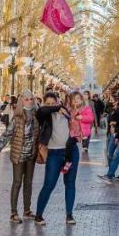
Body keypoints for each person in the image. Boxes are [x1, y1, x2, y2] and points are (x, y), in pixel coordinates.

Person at [34, 90, 82, 224]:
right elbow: (41, 111)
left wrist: (66, 112)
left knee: (70, 183)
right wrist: (56, 107)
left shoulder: (67, 112)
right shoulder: (45, 115)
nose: (50, 106)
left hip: (70, 152)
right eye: (47, 103)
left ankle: (69, 215)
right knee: (49, 184)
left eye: (53, 103)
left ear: (58, 101)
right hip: (54, 153)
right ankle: (38, 215)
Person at [0, 91, 40, 222]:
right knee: (17, 182)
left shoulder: (36, 116)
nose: (29, 101)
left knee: (29, 183)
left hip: (31, 154)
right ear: (21, 101)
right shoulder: (17, 117)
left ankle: (27, 210)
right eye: (26, 99)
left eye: (31, 99)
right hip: (18, 155)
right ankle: (13, 213)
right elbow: (7, 135)